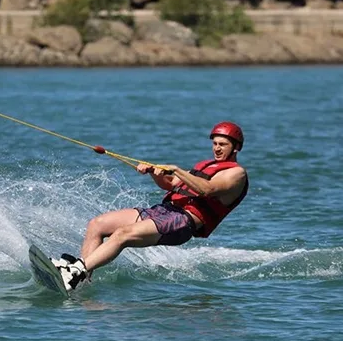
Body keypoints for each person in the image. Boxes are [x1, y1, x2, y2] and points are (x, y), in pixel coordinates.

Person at [53, 121, 250, 292]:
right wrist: (154, 172)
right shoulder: (205, 165)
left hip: (183, 221)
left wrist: (176, 169)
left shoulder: (236, 174)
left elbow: (207, 189)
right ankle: (80, 280)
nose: (217, 148)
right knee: (98, 224)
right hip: (164, 211)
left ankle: (76, 272)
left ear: (236, 147)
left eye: (223, 144)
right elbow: (171, 184)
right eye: (215, 143)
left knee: (122, 234)